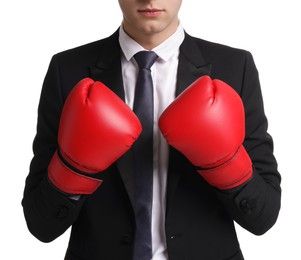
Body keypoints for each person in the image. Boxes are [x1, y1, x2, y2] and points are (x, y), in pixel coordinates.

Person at [22, 0, 281, 259]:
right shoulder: (68, 70)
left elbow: (263, 218)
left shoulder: (234, 67)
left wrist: (225, 165)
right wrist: (74, 168)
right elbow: (40, 225)